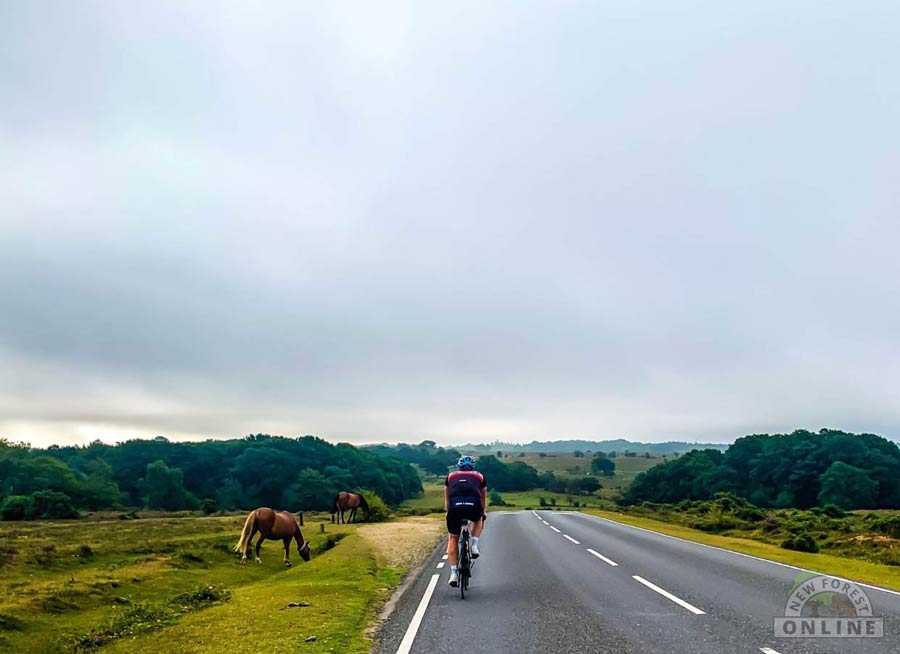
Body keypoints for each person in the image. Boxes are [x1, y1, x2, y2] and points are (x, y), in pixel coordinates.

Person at [444, 455, 487, 587]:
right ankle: (474, 545)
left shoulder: (450, 477)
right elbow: (482, 498)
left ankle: (453, 574)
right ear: (473, 466)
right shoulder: (479, 476)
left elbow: (447, 499)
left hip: (455, 508)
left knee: (453, 539)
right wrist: (483, 513)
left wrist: (449, 512)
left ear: (459, 466)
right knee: (478, 519)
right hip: (473, 505)